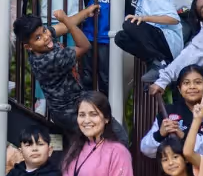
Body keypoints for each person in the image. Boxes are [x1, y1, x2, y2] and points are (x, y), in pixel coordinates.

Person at [13, 8, 128, 144]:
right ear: (28, 47)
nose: (45, 37)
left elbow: (63, 27)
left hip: (71, 105)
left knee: (93, 143)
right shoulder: (50, 60)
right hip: (70, 112)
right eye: (38, 38)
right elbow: (84, 46)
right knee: (118, 137)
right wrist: (66, 19)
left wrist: (85, 13)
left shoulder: (41, 45)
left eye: (44, 31)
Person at [82, 0, 138, 94]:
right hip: (89, 34)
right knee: (87, 76)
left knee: (106, 78)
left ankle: (106, 112)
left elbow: (128, 7)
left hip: (108, 38)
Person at [115, 0, 183, 83]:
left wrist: (144, 18)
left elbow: (174, 19)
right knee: (121, 37)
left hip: (169, 42)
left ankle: (161, 63)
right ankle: (154, 63)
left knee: (130, 24)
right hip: (158, 41)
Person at [140, 64, 203, 159]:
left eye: (198, 82)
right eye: (186, 83)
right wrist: (160, 134)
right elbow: (146, 150)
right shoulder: (168, 113)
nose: (192, 87)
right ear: (179, 89)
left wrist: (183, 135)